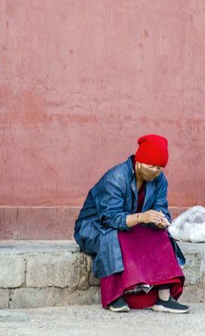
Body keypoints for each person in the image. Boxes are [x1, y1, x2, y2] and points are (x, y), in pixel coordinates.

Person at [74, 135, 189, 314]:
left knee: (161, 235)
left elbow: (160, 206)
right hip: (94, 227)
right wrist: (142, 218)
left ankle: (163, 298)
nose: (155, 171)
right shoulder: (116, 178)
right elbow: (110, 219)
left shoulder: (160, 179)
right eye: (151, 166)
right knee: (114, 236)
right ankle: (114, 296)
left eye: (160, 167)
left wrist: (161, 219)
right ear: (140, 162)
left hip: (132, 224)